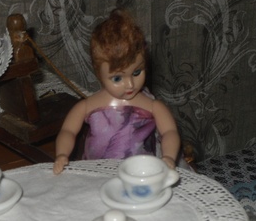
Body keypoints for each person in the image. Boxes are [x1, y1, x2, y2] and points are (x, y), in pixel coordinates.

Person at [53, 9, 181, 174]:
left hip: (141, 172)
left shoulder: (152, 106)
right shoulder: (87, 106)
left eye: (137, 72)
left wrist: (168, 157)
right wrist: (62, 154)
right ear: (99, 74)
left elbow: (170, 132)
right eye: (117, 79)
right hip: (96, 172)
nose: (130, 84)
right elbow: (68, 131)